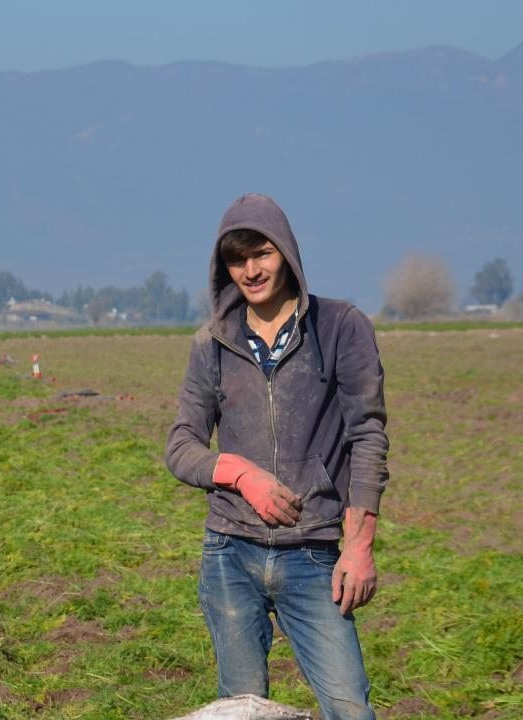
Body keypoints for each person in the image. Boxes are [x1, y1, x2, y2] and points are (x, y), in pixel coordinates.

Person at [165, 194, 389, 720]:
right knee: (242, 709)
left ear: (286, 252)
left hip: (312, 555)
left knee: (350, 708)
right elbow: (181, 446)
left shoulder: (340, 327)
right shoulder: (211, 344)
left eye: (262, 253)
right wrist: (240, 473)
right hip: (230, 554)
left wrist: (359, 545)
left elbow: (367, 436)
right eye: (237, 259)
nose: (251, 270)